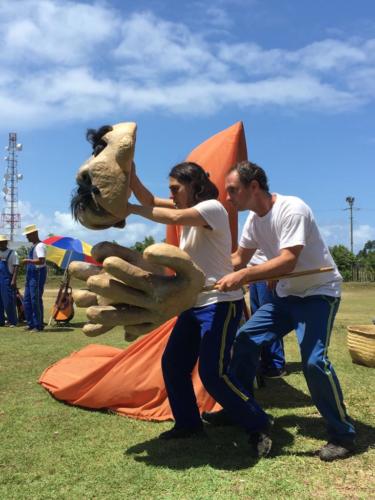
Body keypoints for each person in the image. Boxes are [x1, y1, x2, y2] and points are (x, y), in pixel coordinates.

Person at [129, 162, 279, 449]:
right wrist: (132, 175)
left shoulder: (212, 208)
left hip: (220, 304)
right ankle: (188, 424)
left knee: (213, 374)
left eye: (176, 189)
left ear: (194, 186)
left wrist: (129, 209)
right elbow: (150, 202)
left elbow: (170, 215)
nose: (171, 194)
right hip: (194, 303)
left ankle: (258, 424)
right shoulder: (188, 211)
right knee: (173, 364)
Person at [214, 160, 356, 461]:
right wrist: (209, 273)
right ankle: (241, 408)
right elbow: (240, 258)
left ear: (254, 187)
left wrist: (243, 276)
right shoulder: (254, 219)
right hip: (286, 296)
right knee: (244, 340)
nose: (228, 197)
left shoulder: (293, 208)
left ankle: (342, 434)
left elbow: (288, 261)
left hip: (319, 293)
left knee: (315, 362)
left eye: (232, 190)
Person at [249, 249, 287, 379]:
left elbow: (278, 245)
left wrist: (274, 272)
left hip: (267, 271)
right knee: (257, 319)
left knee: (269, 318)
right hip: (254, 273)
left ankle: (276, 364)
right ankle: (265, 361)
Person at [21, 225, 47, 332]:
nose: (27, 238)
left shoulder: (40, 246)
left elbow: (42, 261)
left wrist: (28, 261)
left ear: (34, 234)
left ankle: (38, 325)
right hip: (30, 275)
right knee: (27, 300)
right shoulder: (34, 246)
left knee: (35, 299)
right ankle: (30, 323)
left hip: (37, 274)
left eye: (28, 235)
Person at [0, 235, 19, 327]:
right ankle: (1, 321)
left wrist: (13, 280)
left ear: (6, 242)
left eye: (3, 242)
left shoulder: (12, 253)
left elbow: (16, 266)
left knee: (8, 301)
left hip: (7, 279)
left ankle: (13, 321)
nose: (1, 244)